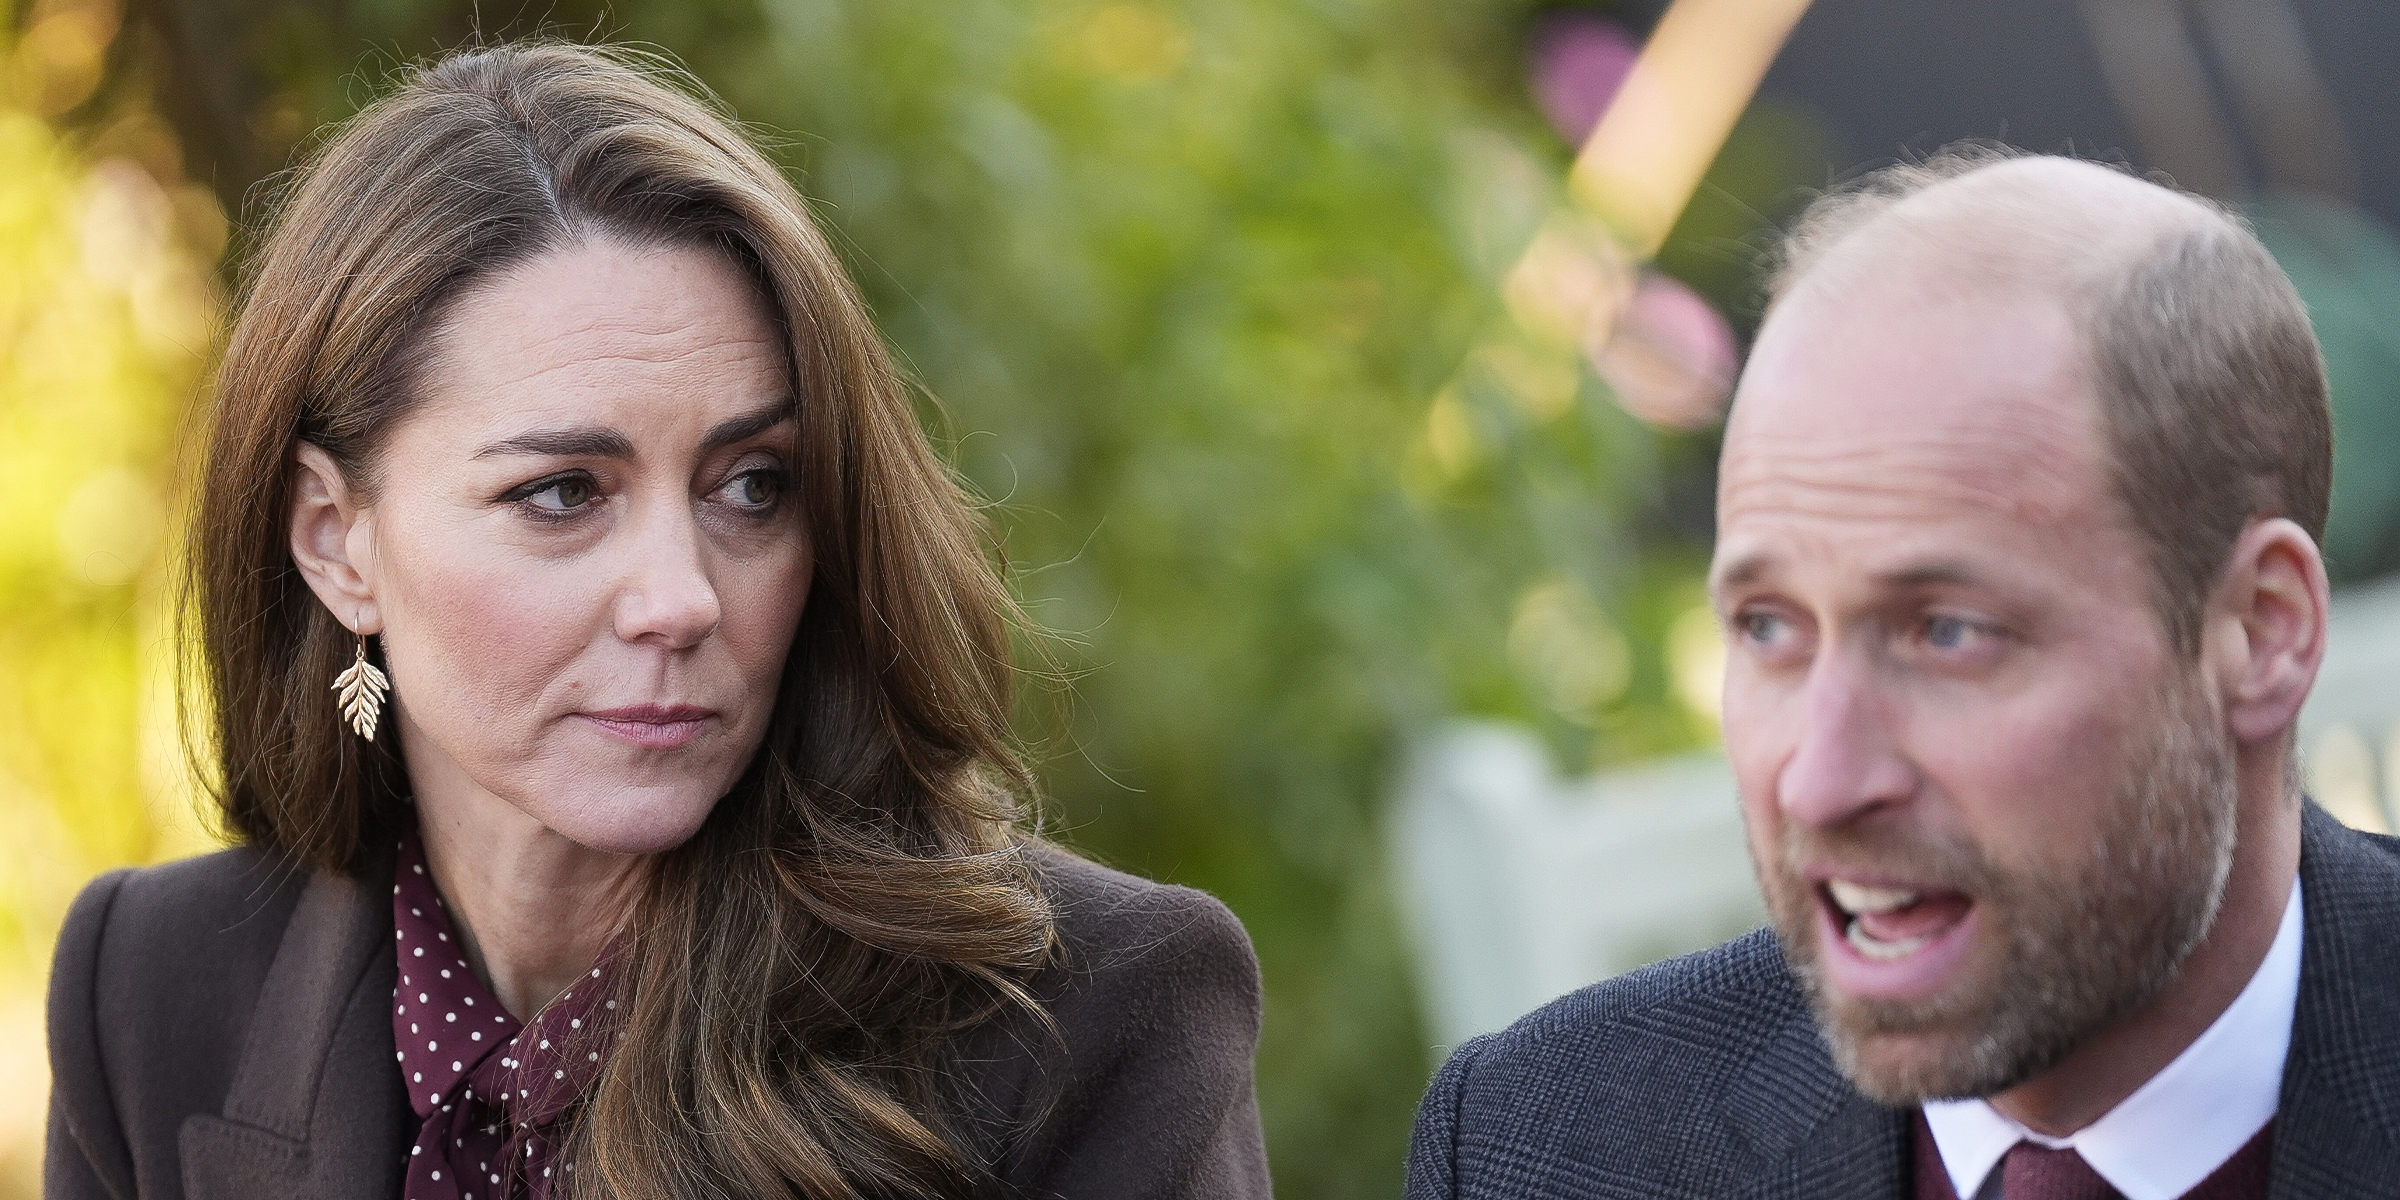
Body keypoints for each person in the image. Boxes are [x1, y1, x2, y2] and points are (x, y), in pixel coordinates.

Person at [46, 42, 1271, 1200]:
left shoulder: (1098, 1016)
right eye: (562, 494)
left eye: (752, 487)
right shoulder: (150, 989)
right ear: (334, 540)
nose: (683, 599)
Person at [1407, 145, 2400, 1198]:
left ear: (2260, 627)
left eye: (1949, 633)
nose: (1820, 782)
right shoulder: (1548, 1146)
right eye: (1768, 627)